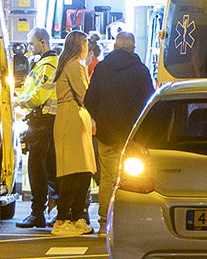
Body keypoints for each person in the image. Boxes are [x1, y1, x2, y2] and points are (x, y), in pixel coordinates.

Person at [82, 29, 155, 232]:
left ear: (115, 46)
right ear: (133, 48)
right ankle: (129, 223)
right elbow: (149, 103)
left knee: (107, 178)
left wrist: (102, 118)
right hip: (132, 136)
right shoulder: (141, 70)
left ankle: (105, 220)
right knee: (134, 178)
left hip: (106, 133)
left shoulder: (102, 68)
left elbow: (89, 100)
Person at [49, 31, 95, 238]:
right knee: (74, 171)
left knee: (80, 171)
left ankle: (76, 217)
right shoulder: (75, 65)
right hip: (72, 119)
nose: (88, 46)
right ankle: (63, 219)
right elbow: (85, 94)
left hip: (72, 118)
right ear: (79, 45)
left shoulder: (69, 64)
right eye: (86, 43)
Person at [14, 29, 58, 228]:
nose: (29, 48)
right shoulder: (42, 64)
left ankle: (42, 213)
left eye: (31, 44)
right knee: (40, 170)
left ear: (43, 41)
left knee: (42, 171)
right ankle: (40, 213)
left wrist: (18, 101)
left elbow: (38, 96)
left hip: (45, 123)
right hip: (41, 123)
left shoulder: (49, 66)